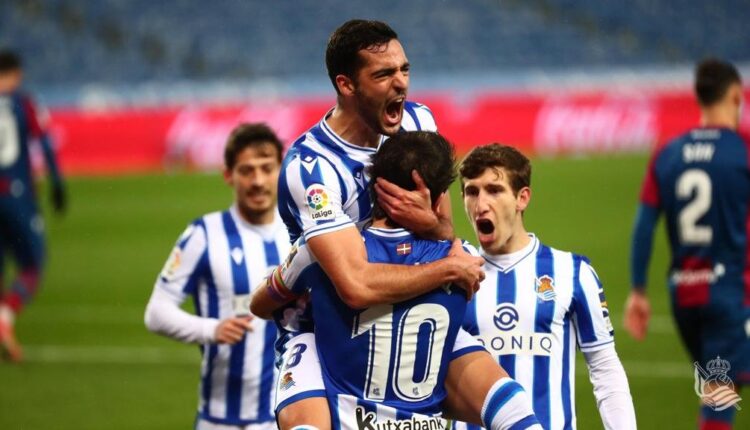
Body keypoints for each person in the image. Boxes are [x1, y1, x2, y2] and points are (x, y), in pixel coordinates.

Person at [258, 18, 530, 429]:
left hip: (414, 304)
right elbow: (355, 286)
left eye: (404, 69)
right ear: (346, 85)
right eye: (384, 74)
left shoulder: (419, 124)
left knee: (513, 410)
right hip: (324, 327)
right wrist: (450, 267)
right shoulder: (314, 167)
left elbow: (445, 236)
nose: (401, 83)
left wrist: (438, 234)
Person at [256, 132, 540, 429]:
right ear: (440, 198)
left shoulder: (320, 256)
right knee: (512, 404)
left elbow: (261, 304)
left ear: (374, 189)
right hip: (426, 418)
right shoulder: (464, 261)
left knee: (301, 352)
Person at [454, 143, 636, 430]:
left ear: (522, 198)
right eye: (472, 191)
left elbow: (604, 368)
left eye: (494, 190)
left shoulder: (572, 272)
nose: (481, 204)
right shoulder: (451, 277)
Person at [625, 58, 748, 429]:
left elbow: (644, 226)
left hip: (685, 297)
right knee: (720, 395)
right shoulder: (742, 151)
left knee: (719, 386)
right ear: (734, 95)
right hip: (729, 294)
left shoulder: (669, 153)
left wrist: (638, 291)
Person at [144, 123, 289, 430]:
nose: (258, 181)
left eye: (266, 169)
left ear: (282, 169)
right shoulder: (204, 234)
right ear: (229, 175)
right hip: (218, 420)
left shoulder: (300, 236)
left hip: (283, 417)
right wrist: (211, 329)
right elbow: (156, 313)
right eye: (247, 171)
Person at [0, 49, 66, 362]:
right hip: (15, 194)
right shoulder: (22, 102)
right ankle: (6, 317)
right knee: (32, 263)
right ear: (15, 73)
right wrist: (57, 184)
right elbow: (45, 144)